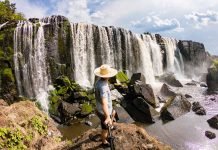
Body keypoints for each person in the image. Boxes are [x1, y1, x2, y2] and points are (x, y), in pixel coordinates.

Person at [94, 64, 117, 146]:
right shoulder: (103, 87)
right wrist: (107, 117)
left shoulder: (99, 81)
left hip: (100, 108)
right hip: (104, 111)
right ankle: (104, 141)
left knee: (114, 112)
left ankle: (111, 125)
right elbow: (104, 103)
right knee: (105, 130)